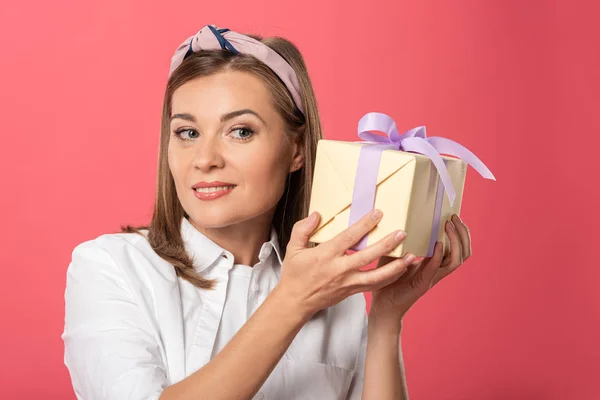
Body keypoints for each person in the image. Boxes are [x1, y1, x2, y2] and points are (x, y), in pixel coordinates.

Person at [61, 24, 473, 400]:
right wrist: (293, 300)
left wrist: (386, 318)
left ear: (296, 150)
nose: (204, 159)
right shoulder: (109, 266)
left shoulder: (335, 289)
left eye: (240, 131)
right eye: (187, 132)